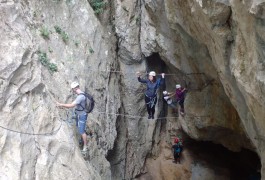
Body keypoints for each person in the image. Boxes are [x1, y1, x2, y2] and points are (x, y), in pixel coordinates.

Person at [56, 82, 88, 152]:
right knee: (79, 128)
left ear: (75, 88)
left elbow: (71, 105)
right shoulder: (82, 94)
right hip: (80, 114)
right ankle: (81, 139)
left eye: (73, 89)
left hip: (82, 116)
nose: (73, 91)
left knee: (82, 131)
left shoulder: (80, 97)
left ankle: (85, 146)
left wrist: (61, 104)